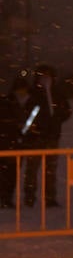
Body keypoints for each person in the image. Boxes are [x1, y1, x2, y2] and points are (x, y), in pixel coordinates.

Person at [20, 64, 71, 207]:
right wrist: (32, 128)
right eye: (42, 76)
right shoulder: (32, 95)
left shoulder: (57, 94)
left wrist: (57, 119)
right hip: (35, 138)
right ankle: (29, 197)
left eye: (48, 76)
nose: (45, 80)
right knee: (32, 169)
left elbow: (66, 111)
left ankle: (50, 197)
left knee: (50, 170)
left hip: (52, 137)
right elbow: (26, 114)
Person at [0, 72, 29, 207]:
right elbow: (6, 122)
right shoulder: (7, 103)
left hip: (17, 143)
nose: (22, 93)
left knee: (12, 174)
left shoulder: (30, 103)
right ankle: (4, 199)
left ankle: (7, 198)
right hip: (7, 143)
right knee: (6, 173)